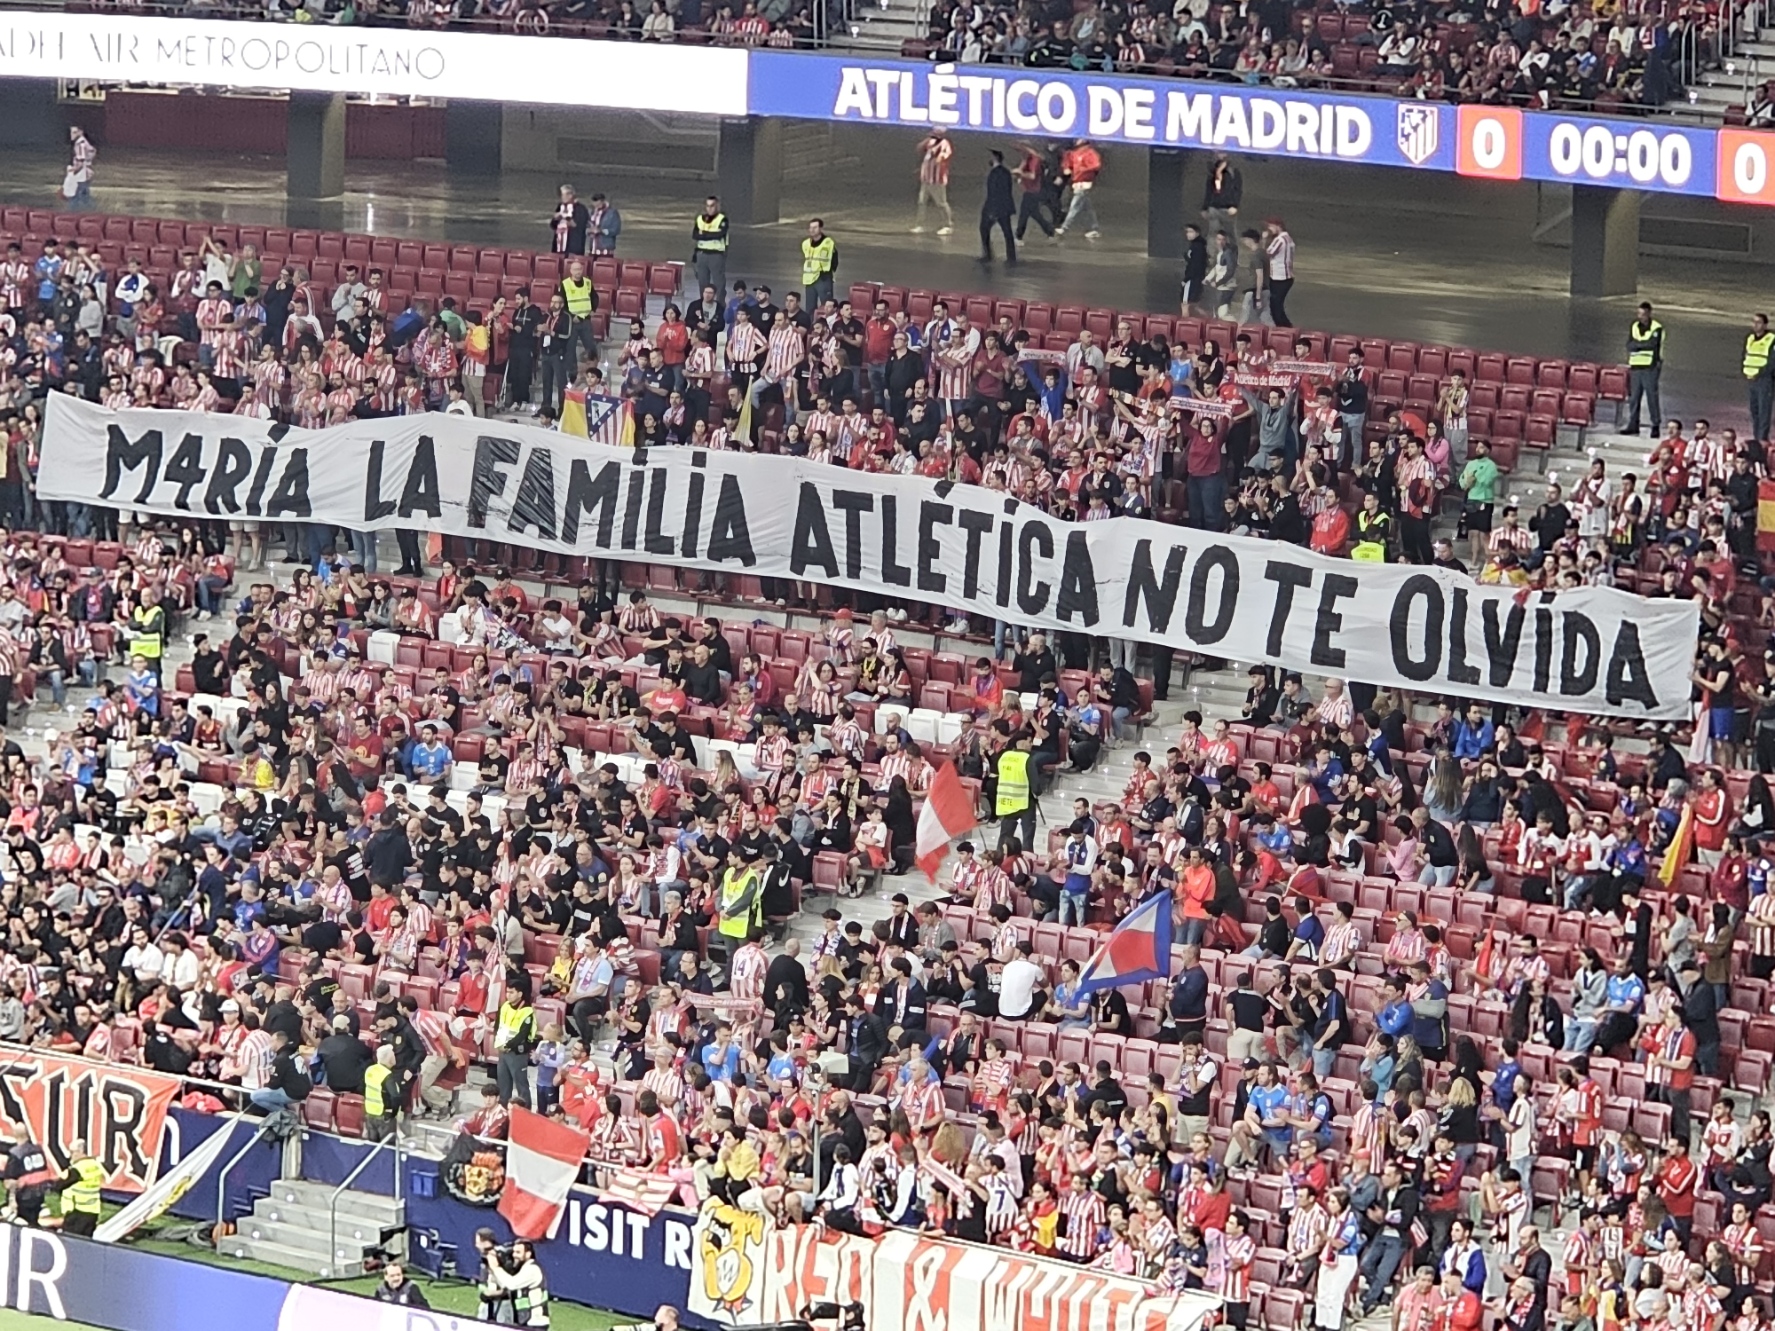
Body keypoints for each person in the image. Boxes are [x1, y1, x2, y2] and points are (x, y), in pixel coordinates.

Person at [1625, 301, 1665, 435]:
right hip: (1636, 366)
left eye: (1643, 314)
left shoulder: (1656, 328)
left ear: (1649, 314)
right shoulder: (1634, 326)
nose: (1640, 317)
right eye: (1639, 313)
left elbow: (1652, 344)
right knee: (1634, 397)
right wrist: (1640, 345)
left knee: (1651, 397)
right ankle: (1633, 424)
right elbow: (1629, 344)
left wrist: (1638, 345)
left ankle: (1655, 425)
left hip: (1650, 367)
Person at [51, 1139, 104, 1238]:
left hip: (77, 1212)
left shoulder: (77, 1169)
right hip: (93, 1211)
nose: (70, 1155)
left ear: (80, 1151)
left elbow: (59, 1186)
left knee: (71, 1242)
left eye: (72, 1152)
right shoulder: (95, 1165)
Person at [1055, 138, 1102, 241]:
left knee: (1075, 206)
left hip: (1084, 183)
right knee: (1087, 207)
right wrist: (1067, 168)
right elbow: (1068, 163)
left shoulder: (1090, 153)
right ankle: (1094, 228)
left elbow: (1096, 165)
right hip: (1076, 182)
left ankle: (1065, 227)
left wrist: (1083, 169)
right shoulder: (1074, 153)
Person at [4, 1126, 52, 1226]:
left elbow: (10, 1182)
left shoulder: (16, 1153)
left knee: (21, 1224)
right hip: (39, 1195)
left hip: (23, 1197)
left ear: (15, 1134)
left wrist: (12, 1200)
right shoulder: (38, 1150)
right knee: (34, 1222)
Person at [914, 130, 955, 235]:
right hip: (926, 179)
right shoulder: (930, 142)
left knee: (941, 203)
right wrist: (926, 141)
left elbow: (944, 157)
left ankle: (947, 225)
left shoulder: (944, 143)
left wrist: (937, 155)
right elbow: (919, 148)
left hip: (937, 180)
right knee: (922, 202)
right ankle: (920, 225)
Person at [979, 151, 1016, 265]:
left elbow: (995, 193)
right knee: (1007, 232)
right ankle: (1011, 257)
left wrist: (992, 210)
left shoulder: (996, 174)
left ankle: (989, 255)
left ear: (995, 158)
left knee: (985, 229)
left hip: (996, 207)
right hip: (1003, 207)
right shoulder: (1005, 172)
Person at [690, 196, 729, 297]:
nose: (710, 208)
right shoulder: (700, 219)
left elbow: (719, 235)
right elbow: (695, 235)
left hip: (716, 254)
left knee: (719, 283)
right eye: (708, 206)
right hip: (701, 254)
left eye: (712, 206)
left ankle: (719, 307)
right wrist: (710, 235)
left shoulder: (722, 219)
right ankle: (704, 307)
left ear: (717, 206)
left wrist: (704, 234)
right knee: (702, 283)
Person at [1745, 312, 1773, 443]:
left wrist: (1762, 373)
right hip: (1752, 379)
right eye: (1754, 322)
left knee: (1763, 412)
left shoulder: (1771, 339)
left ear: (1765, 325)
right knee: (1754, 411)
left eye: (1759, 322)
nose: (1756, 325)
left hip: (1764, 380)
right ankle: (1756, 438)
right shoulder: (1750, 338)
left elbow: (1772, 362)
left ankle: (1762, 440)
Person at [801, 220, 837, 310]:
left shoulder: (828, 243)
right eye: (810, 227)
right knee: (809, 308)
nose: (812, 230)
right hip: (809, 279)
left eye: (815, 227)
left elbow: (834, 259)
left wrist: (828, 272)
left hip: (823, 278)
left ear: (820, 228)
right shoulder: (805, 244)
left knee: (827, 306)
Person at [65, 124, 96, 211]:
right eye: (71, 132)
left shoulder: (80, 144)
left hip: (81, 174)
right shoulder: (84, 142)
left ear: (80, 132)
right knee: (84, 196)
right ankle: (93, 210)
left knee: (75, 196)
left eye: (74, 132)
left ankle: (72, 215)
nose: (72, 134)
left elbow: (81, 160)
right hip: (86, 172)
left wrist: (73, 170)